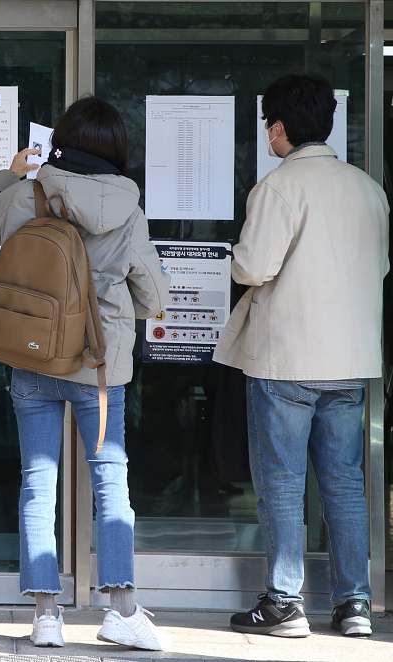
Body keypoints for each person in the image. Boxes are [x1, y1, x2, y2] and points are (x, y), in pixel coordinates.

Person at [0, 96, 170, 650]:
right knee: (110, 481)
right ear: (117, 149)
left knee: (38, 484)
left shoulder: (32, 191)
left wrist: (8, 174)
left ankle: (47, 615)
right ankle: (121, 609)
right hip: (100, 368)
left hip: (33, 355)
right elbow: (153, 296)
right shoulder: (128, 206)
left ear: (61, 141)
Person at [215, 74, 389, 639]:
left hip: (287, 356)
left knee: (283, 483)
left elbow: (252, 267)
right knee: (343, 481)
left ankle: (285, 603)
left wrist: (234, 259)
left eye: (269, 122)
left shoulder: (279, 187)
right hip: (350, 357)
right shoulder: (368, 188)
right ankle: (354, 604)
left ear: (280, 128)